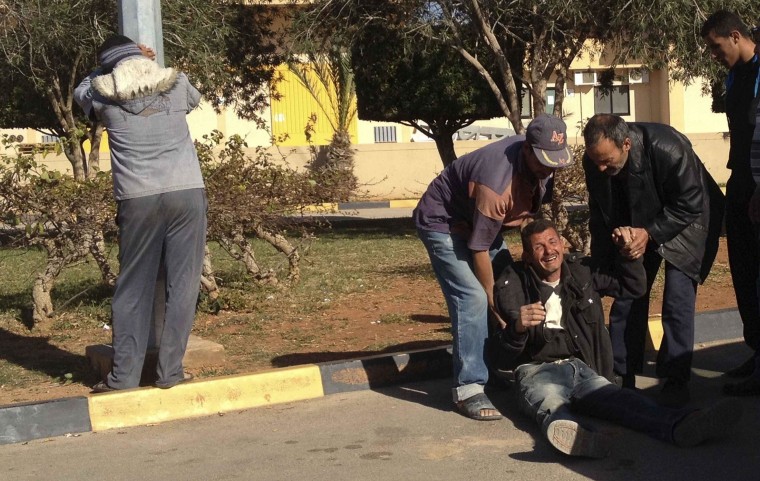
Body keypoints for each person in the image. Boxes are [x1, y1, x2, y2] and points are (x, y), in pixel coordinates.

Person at [491, 219, 741, 458]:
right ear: (526, 257)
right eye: (539, 247)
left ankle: (683, 426)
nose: (549, 251)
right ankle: (577, 438)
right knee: (551, 404)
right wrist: (517, 327)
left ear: (562, 244)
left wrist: (629, 256)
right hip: (537, 370)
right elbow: (503, 358)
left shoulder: (581, 272)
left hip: (582, 370)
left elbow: (633, 288)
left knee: (627, 402)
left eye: (552, 242)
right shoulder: (513, 286)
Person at [413, 114, 573, 420]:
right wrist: (492, 303)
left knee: (507, 284)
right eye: (544, 162)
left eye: (555, 161)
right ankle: (468, 387)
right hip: (442, 223)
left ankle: (488, 367)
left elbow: (528, 216)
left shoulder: (543, 164)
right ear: (527, 150)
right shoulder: (495, 187)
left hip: (478, 221)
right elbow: (479, 249)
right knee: (473, 297)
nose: (549, 169)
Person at [74, 35, 207, 392]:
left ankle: (124, 378)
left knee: (133, 287)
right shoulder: (176, 83)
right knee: (183, 285)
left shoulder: (102, 94)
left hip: (137, 200)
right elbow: (193, 98)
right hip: (187, 194)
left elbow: (81, 88)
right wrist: (144, 57)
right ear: (142, 57)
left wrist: (107, 65)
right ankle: (170, 373)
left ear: (111, 66)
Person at [582, 114, 724, 408]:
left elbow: (691, 201)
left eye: (607, 161)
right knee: (628, 292)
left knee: (677, 296)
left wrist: (649, 233)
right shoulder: (595, 161)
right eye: (596, 161)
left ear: (626, 144)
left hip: (690, 219)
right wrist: (605, 258)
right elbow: (601, 214)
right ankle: (622, 373)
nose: (601, 168)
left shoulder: (668, 147)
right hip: (639, 221)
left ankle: (675, 379)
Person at [702, 11, 760, 395]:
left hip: (758, 182)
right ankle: (756, 351)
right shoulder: (733, 75)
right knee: (742, 271)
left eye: (716, 46)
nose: (713, 54)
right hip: (740, 180)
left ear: (735, 36)